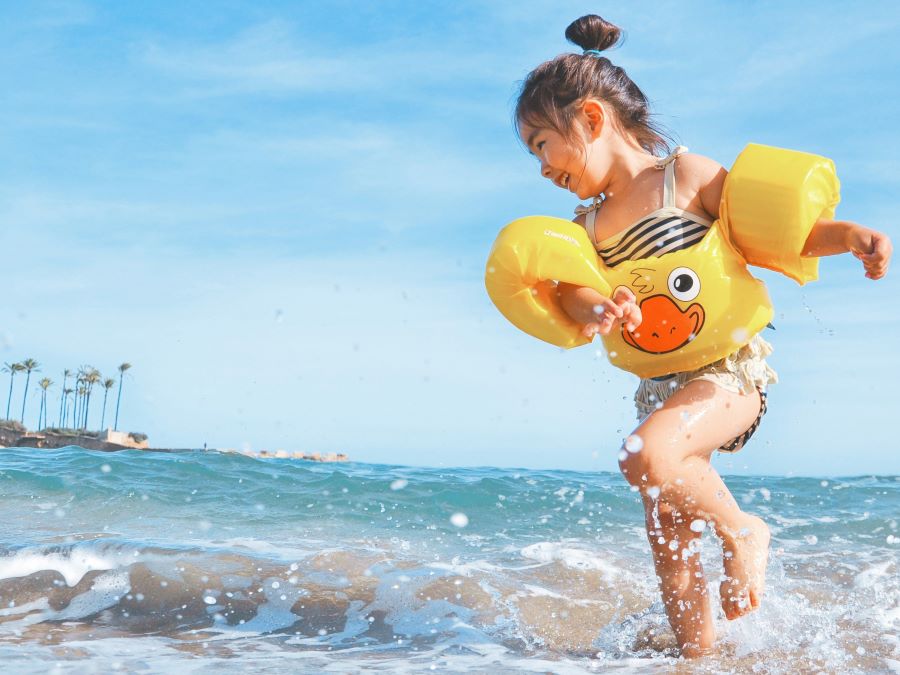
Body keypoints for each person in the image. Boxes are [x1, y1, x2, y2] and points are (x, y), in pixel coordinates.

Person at [513, 14, 893, 658]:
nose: (541, 167)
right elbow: (574, 291)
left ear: (592, 119)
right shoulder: (587, 223)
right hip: (657, 388)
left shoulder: (683, 178)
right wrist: (599, 306)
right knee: (668, 537)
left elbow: (775, 233)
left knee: (643, 458)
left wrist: (850, 235)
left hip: (729, 373)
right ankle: (699, 660)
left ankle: (744, 533)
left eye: (541, 144)